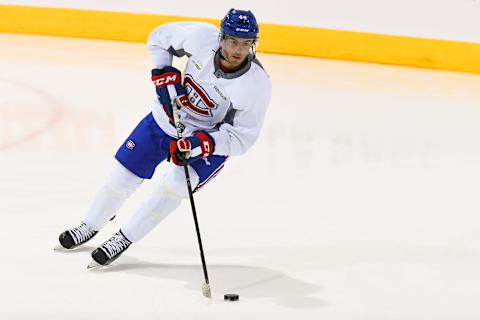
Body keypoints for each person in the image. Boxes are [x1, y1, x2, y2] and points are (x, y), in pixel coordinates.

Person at [57, 8, 271, 266]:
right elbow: (159, 37)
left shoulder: (256, 84)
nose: (238, 50)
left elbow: (242, 137)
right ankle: (90, 224)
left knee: (173, 188)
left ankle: (124, 238)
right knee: (121, 178)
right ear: (221, 38)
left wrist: (204, 144)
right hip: (164, 120)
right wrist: (162, 71)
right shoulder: (201, 37)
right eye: (233, 41)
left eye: (246, 43)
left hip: (205, 140)